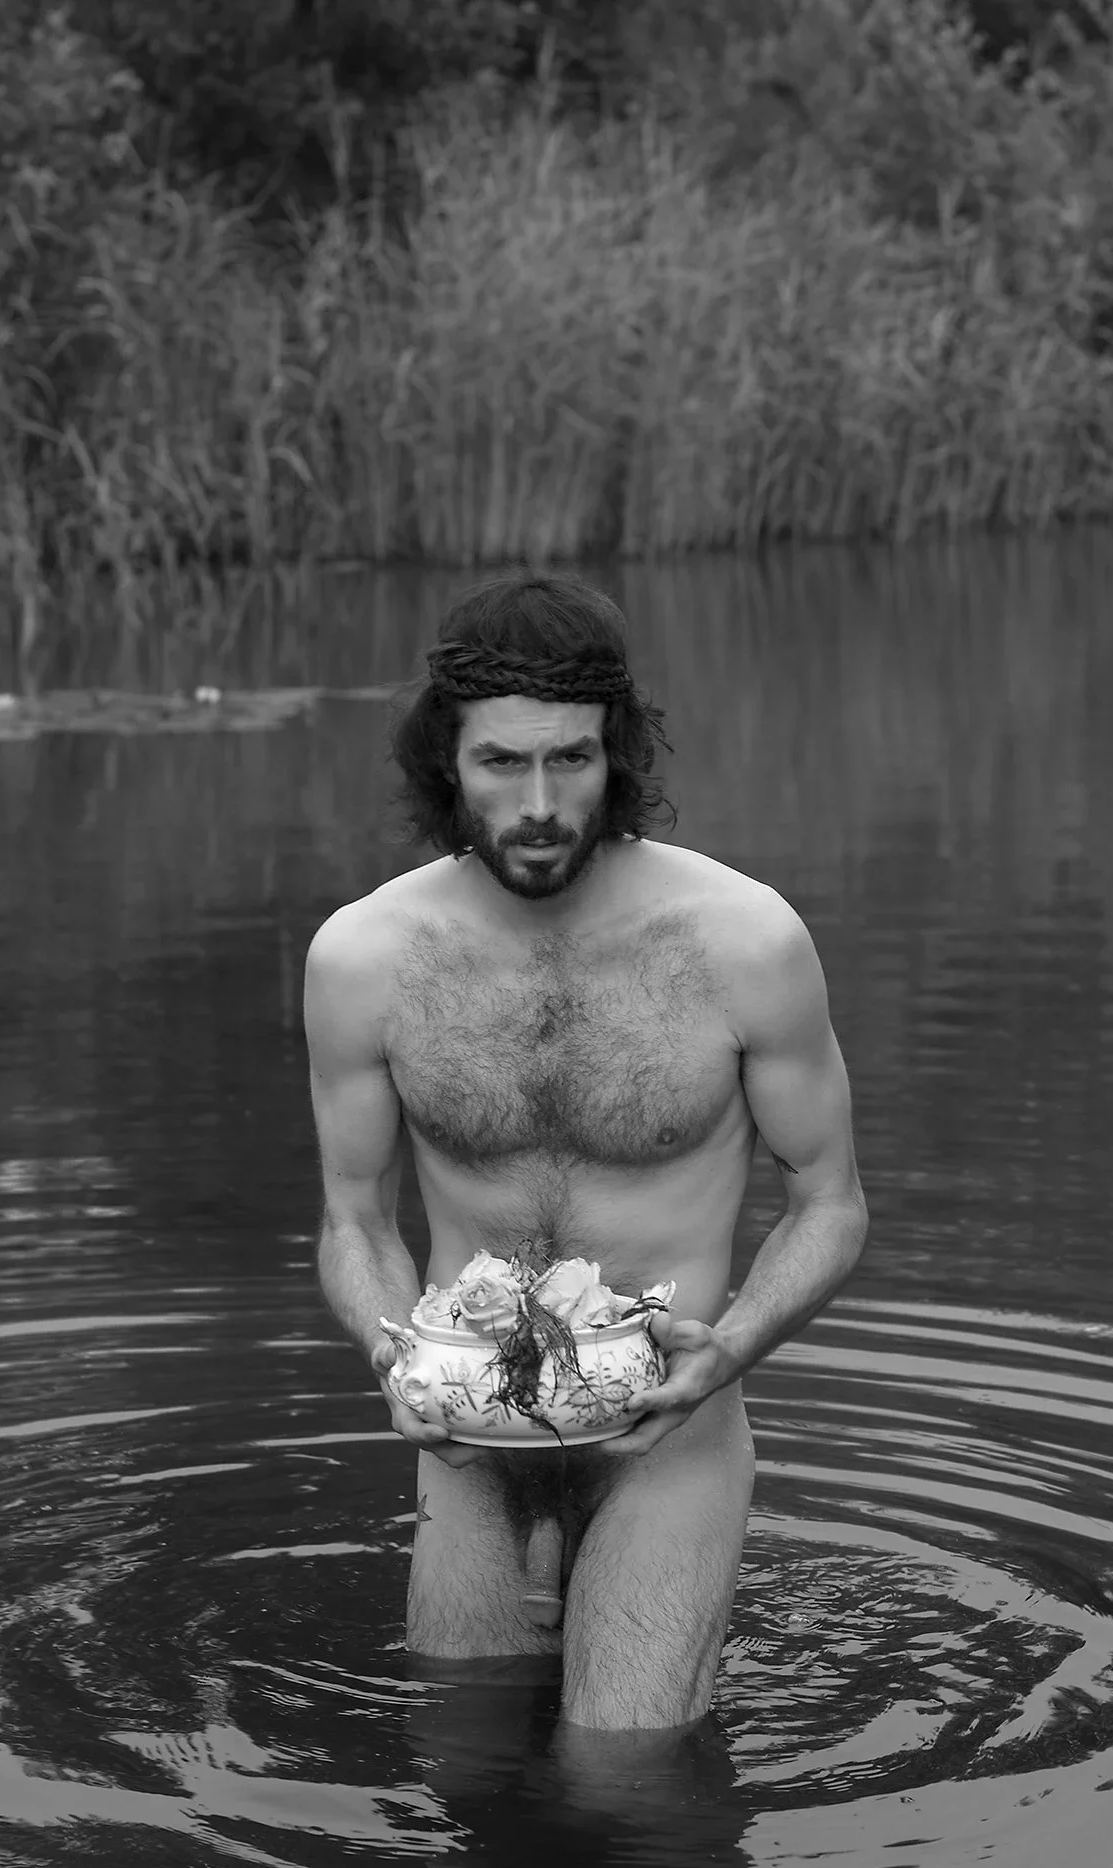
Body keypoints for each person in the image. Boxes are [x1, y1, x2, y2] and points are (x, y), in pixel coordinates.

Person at [305, 571, 867, 1733]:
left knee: (623, 1775)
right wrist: (390, 1351)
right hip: (465, 1438)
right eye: (502, 763)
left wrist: (735, 1345)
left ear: (618, 755)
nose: (542, 801)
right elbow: (356, 1219)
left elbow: (830, 1200)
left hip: (670, 1428)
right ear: (445, 765)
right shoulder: (364, 957)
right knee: (458, 1771)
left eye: (571, 758)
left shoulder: (745, 940)